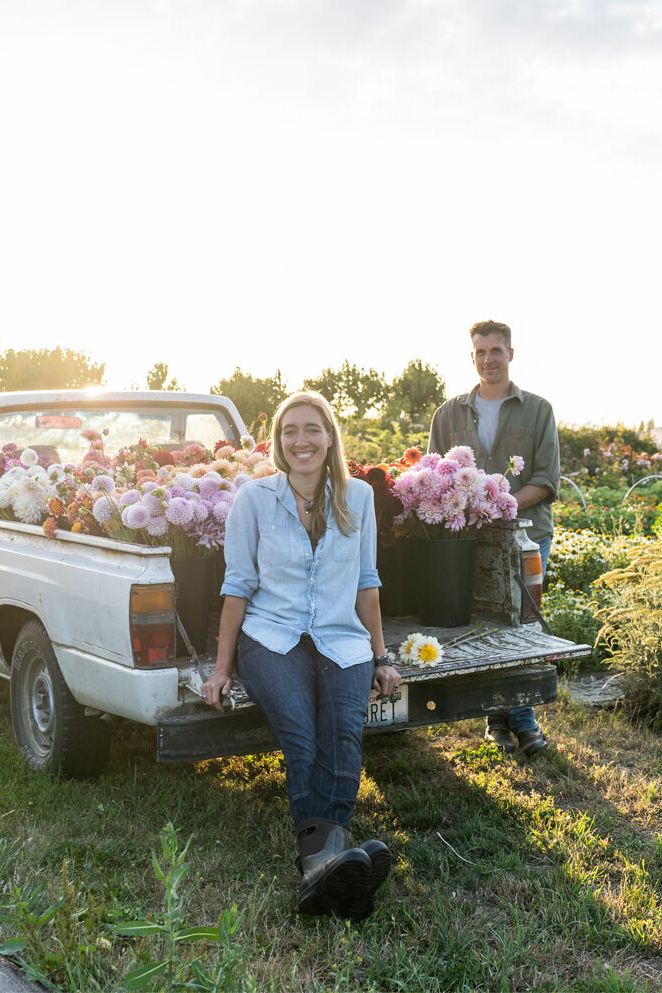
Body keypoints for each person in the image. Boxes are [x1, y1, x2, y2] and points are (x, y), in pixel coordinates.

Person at [201, 391, 401, 921]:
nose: (301, 440)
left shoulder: (357, 498)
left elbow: (366, 583)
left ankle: (324, 868)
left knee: (343, 734)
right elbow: (238, 586)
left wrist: (381, 656)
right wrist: (223, 668)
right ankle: (334, 861)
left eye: (312, 429)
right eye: (290, 431)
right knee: (302, 737)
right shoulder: (253, 500)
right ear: (278, 442)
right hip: (271, 637)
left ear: (330, 436)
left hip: (342, 636)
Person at [428, 320, 561, 757]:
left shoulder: (537, 409)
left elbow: (545, 480)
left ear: (510, 354)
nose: (489, 359)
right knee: (486, 629)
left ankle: (519, 722)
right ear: (472, 357)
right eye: (481, 352)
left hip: (525, 535)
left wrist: (498, 505)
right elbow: (432, 476)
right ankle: (499, 720)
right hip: (468, 543)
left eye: (496, 351)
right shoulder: (448, 414)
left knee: (521, 625)